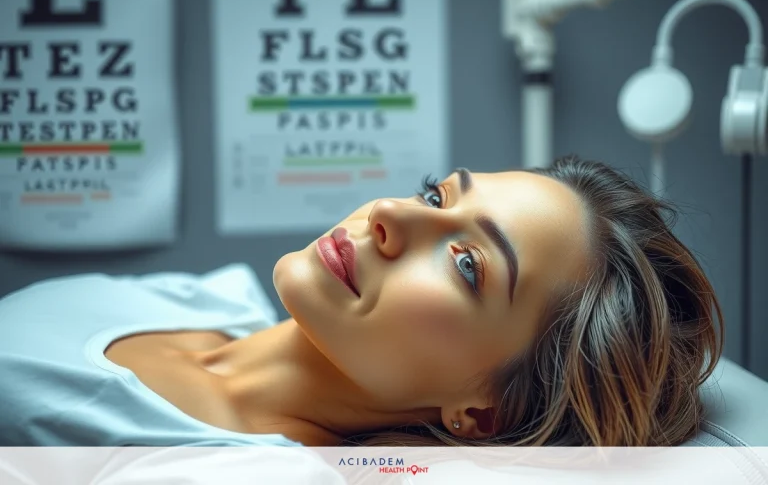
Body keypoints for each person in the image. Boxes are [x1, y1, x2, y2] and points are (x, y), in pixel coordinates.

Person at [0, 155, 722, 448]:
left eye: (467, 264)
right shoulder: (210, 297)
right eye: (435, 194)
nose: (389, 214)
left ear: (484, 412)